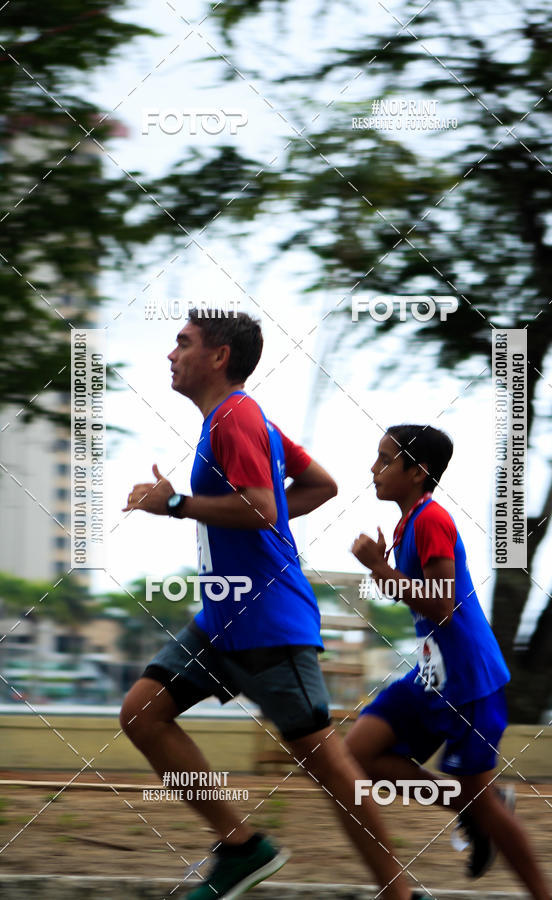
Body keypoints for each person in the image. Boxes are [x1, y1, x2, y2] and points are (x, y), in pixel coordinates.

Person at [120, 309, 413, 900]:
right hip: (220, 622)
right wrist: (261, 518)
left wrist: (174, 503)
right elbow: (317, 487)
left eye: (183, 343)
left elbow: (261, 506)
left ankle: (401, 892)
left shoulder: (238, 418)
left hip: (269, 623)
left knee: (329, 768)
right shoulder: (244, 424)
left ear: (219, 356)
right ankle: (241, 847)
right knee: (141, 713)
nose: (170, 355)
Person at [348, 424, 552, 900]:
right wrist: (387, 567)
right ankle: (472, 804)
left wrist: (379, 569)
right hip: (431, 673)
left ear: (417, 472)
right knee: (354, 757)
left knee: (484, 808)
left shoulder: (432, 520)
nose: (373, 469)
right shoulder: (408, 523)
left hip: (468, 681)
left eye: (384, 459)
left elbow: (441, 604)